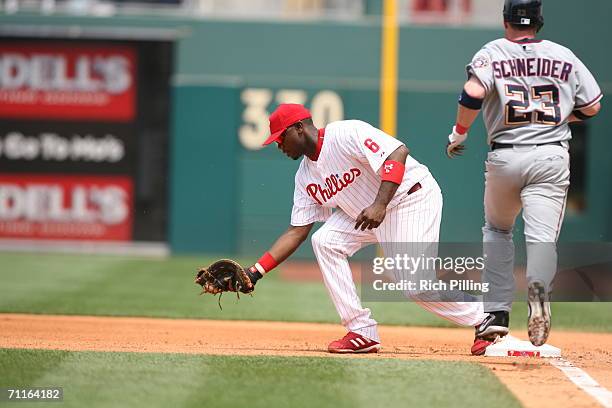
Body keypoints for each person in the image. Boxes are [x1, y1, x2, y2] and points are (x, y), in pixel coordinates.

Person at [242, 103, 488, 354]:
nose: (278, 145)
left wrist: (380, 204)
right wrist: (254, 272)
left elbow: (398, 153)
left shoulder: (345, 133)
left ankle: (486, 318)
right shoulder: (305, 176)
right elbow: (297, 231)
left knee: (416, 285)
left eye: (280, 137)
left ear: (298, 128)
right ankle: (362, 331)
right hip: (367, 214)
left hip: (409, 199)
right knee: (325, 241)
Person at [446, 0, 602, 349]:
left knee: (498, 231)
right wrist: (560, 116)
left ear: (505, 21)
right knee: (541, 238)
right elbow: (592, 106)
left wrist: (459, 132)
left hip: (505, 156)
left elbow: (473, 93)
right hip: (550, 155)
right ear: (540, 23)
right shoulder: (564, 55)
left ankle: (497, 314)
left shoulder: (493, 51)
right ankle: (538, 291)